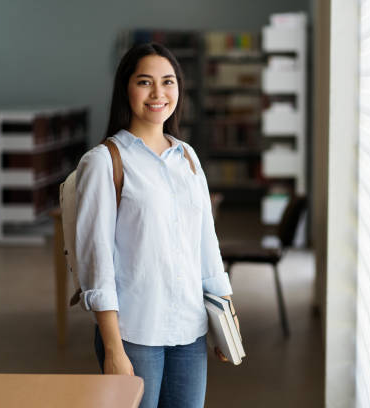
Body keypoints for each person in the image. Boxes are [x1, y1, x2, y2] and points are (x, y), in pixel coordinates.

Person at [75, 42, 240, 408]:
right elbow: (96, 264)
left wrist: (227, 317)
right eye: (145, 82)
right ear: (126, 89)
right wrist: (114, 350)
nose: (158, 93)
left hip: (191, 329)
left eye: (168, 82)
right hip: (134, 333)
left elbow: (206, 245)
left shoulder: (188, 158)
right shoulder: (103, 162)